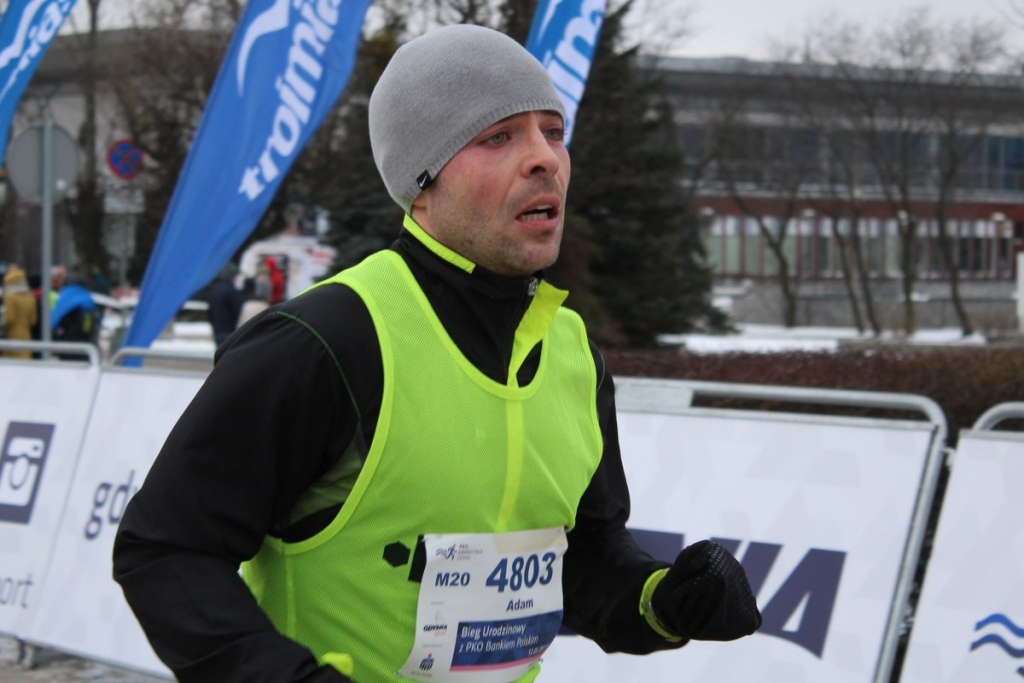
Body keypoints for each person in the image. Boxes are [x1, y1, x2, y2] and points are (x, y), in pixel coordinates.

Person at [113, 25, 760, 683]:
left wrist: (663, 600)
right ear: (421, 183)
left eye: (553, 132)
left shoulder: (571, 353)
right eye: (498, 137)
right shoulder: (327, 341)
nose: (544, 160)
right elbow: (166, 548)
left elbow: (581, 555)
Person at [51, 271, 99, 345]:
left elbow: (55, 320)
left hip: (69, 342)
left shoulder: (66, 296)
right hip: (86, 343)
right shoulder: (87, 297)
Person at [2, 265, 37, 358]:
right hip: (26, 335)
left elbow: (9, 319)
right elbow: (33, 320)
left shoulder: (10, 298)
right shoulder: (30, 298)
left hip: (12, 336)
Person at [207, 264, 244, 347]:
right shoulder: (232, 291)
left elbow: (210, 312)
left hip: (217, 330)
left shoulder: (215, 290)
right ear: (232, 277)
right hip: (229, 331)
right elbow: (237, 311)